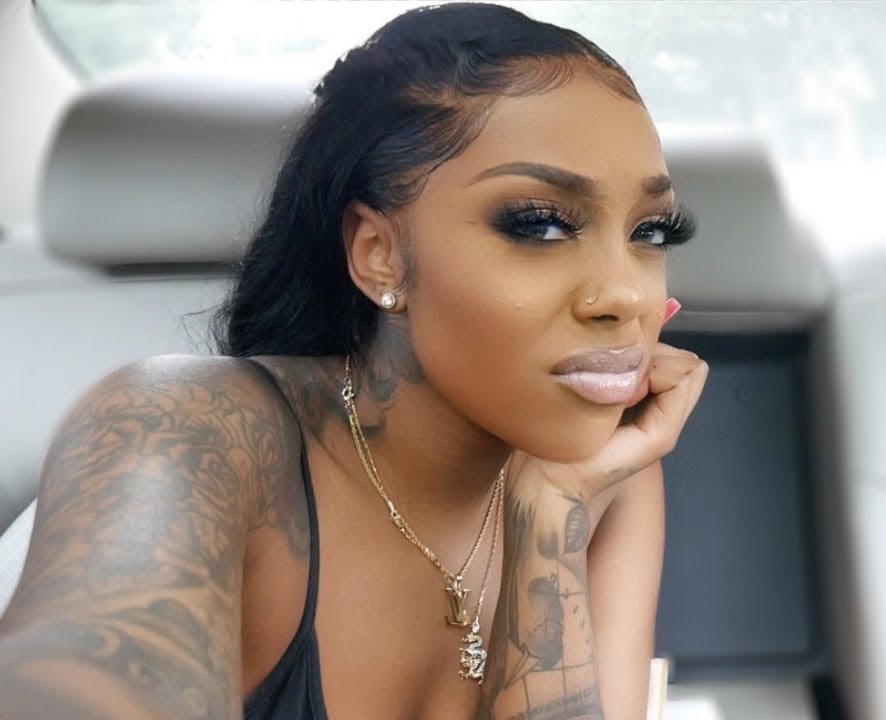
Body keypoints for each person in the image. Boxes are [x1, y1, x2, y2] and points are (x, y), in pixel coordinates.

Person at [0, 4, 708, 719]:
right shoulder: (184, 431)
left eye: (652, 231)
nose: (627, 295)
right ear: (379, 254)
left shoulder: (606, 478)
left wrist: (550, 518)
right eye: (540, 224)